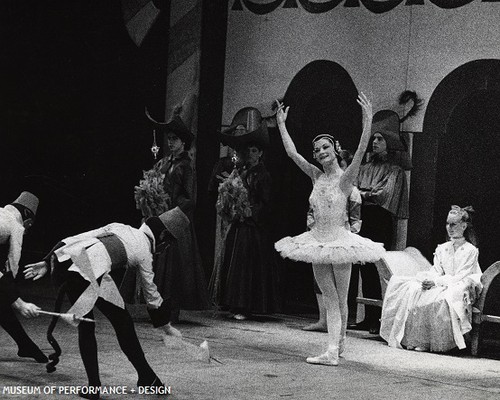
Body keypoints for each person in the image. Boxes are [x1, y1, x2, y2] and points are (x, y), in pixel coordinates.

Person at [275, 93, 385, 366]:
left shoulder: (346, 179)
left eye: (325, 148)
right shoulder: (315, 175)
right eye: (317, 150)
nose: (320, 153)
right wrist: (281, 125)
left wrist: (368, 120)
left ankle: (333, 350)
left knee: (338, 297)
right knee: (330, 296)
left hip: (339, 240)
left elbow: (360, 151)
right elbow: (291, 153)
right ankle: (339, 344)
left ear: (335, 149)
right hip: (317, 241)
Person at [24, 210, 183, 398]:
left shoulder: (120, 227)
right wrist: (167, 327)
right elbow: (151, 294)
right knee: (121, 323)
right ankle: (144, 378)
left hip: (70, 262)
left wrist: (48, 259)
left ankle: (110, 384)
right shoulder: (145, 253)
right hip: (88, 269)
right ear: (163, 236)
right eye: (168, 245)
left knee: (90, 325)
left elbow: (77, 237)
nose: (165, 249)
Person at [380, 205, 482, 353]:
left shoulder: (470, 250)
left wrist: (438, 282)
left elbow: (462, 275)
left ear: (464, 226)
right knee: (415, 291)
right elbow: (436, 270)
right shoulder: (443, 248)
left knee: (443, 299)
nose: (449, 228)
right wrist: (431, 279)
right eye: (447, 223)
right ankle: (418, 339)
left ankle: (439, 342)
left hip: (457, 284)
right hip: (441, 282)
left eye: (453, 224)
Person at [348, 109, 409, 334]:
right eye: (373, 138)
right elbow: (351, 189)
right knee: (364, 269)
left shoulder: (395, 171)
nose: (374, 142)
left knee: (379, 267)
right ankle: (369, 317)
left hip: (380, 221)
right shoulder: (364, 168)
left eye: (379, 139)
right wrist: (364, 193)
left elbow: (383, 195)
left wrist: (362, 194)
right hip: (363, 219)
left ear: (389, 144)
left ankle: (381, 319)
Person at [214, 107, 278, 320]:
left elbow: (266, 204)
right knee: (234, 261)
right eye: (247, 150)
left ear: (260, 153)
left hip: (252, 227)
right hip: (239, 223)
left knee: (246, 265)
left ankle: (245, 305)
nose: (249, 154)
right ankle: (233, 303)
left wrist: (249, 212)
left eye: (254, 150)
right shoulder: (240, 172)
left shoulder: (264, 175)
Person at [152, 109, 210, 321]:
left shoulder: (186, 166)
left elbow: (190, 198)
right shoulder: (167, 163)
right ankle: (160, 307)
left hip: (177, 221)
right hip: (163, 218)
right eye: (169, 139)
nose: (170, 142)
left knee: (176, 266)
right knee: (161, 264)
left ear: (183, 142)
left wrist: (171, 210)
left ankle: (172, 309)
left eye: (174, 139)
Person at [302, 149, 362, 332]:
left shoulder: (350, 189)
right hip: (321, 237)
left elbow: (355, 219)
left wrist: (350, 240)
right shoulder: (320, 183)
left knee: (340, 294)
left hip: (340, 239)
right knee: (324, 287)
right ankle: (324, 321)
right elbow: (312, 212)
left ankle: (338, 339)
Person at [0, 191, 47, 363]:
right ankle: (26, 344)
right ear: (28, 220)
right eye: (30, 226)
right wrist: (19, 303)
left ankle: (25, 344)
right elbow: (11, 267)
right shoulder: (15, 224)